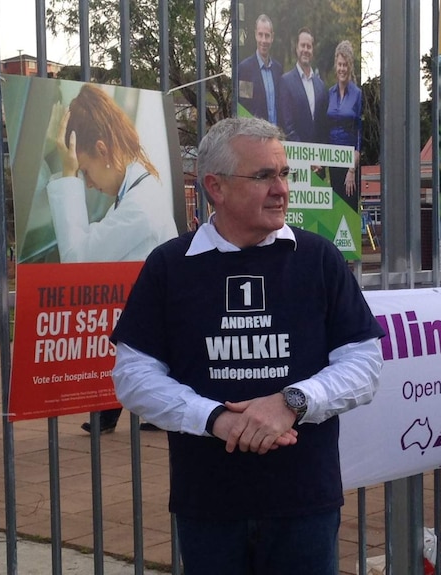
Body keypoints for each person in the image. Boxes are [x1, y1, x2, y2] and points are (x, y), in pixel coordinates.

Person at [110, 117, 384, 574]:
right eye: (263, 176)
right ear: (214, 187)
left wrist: (291, 402)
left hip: (304, 501)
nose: (281, 189)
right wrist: (214, 418)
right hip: (210, 503)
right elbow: (133, 375)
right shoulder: (170, 267)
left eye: (284, 173)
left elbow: (364, 362)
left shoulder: (318, 259)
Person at [47, 83, 178, 263]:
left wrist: (69, 173)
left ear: (102, 150)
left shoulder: (138, 208)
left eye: (84, 171)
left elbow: (75, 262)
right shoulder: (135, 195)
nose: (88, 184)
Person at [326, 40, 363, 210]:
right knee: (335, 209)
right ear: (336, 65)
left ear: (350, 67)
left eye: (345, 65)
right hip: (332, 161)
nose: (342, 69)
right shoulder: (330, 93)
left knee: (348, 210)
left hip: (350, 164)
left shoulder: (357, 94)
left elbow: (359, 135)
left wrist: (352, 169)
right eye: (339, 64)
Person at [279, 27, 328, 143]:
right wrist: (304, 154)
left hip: (318, 157)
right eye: (303, 45)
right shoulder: (286, 82)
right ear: (296, 48)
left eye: (309, 46)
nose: (305, 50)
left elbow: (323, 125)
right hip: (296, 155)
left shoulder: (320, 86)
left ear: (312, 50)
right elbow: (288, 125)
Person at [237, 14, 283, 124]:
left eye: (267, 35)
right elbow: (244, 106)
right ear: (255, 35)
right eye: (260, 35)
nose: (263, 40)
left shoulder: (278, 70)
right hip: (256, 136)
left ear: (272, 37)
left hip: (277, 136)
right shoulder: (245, 69)